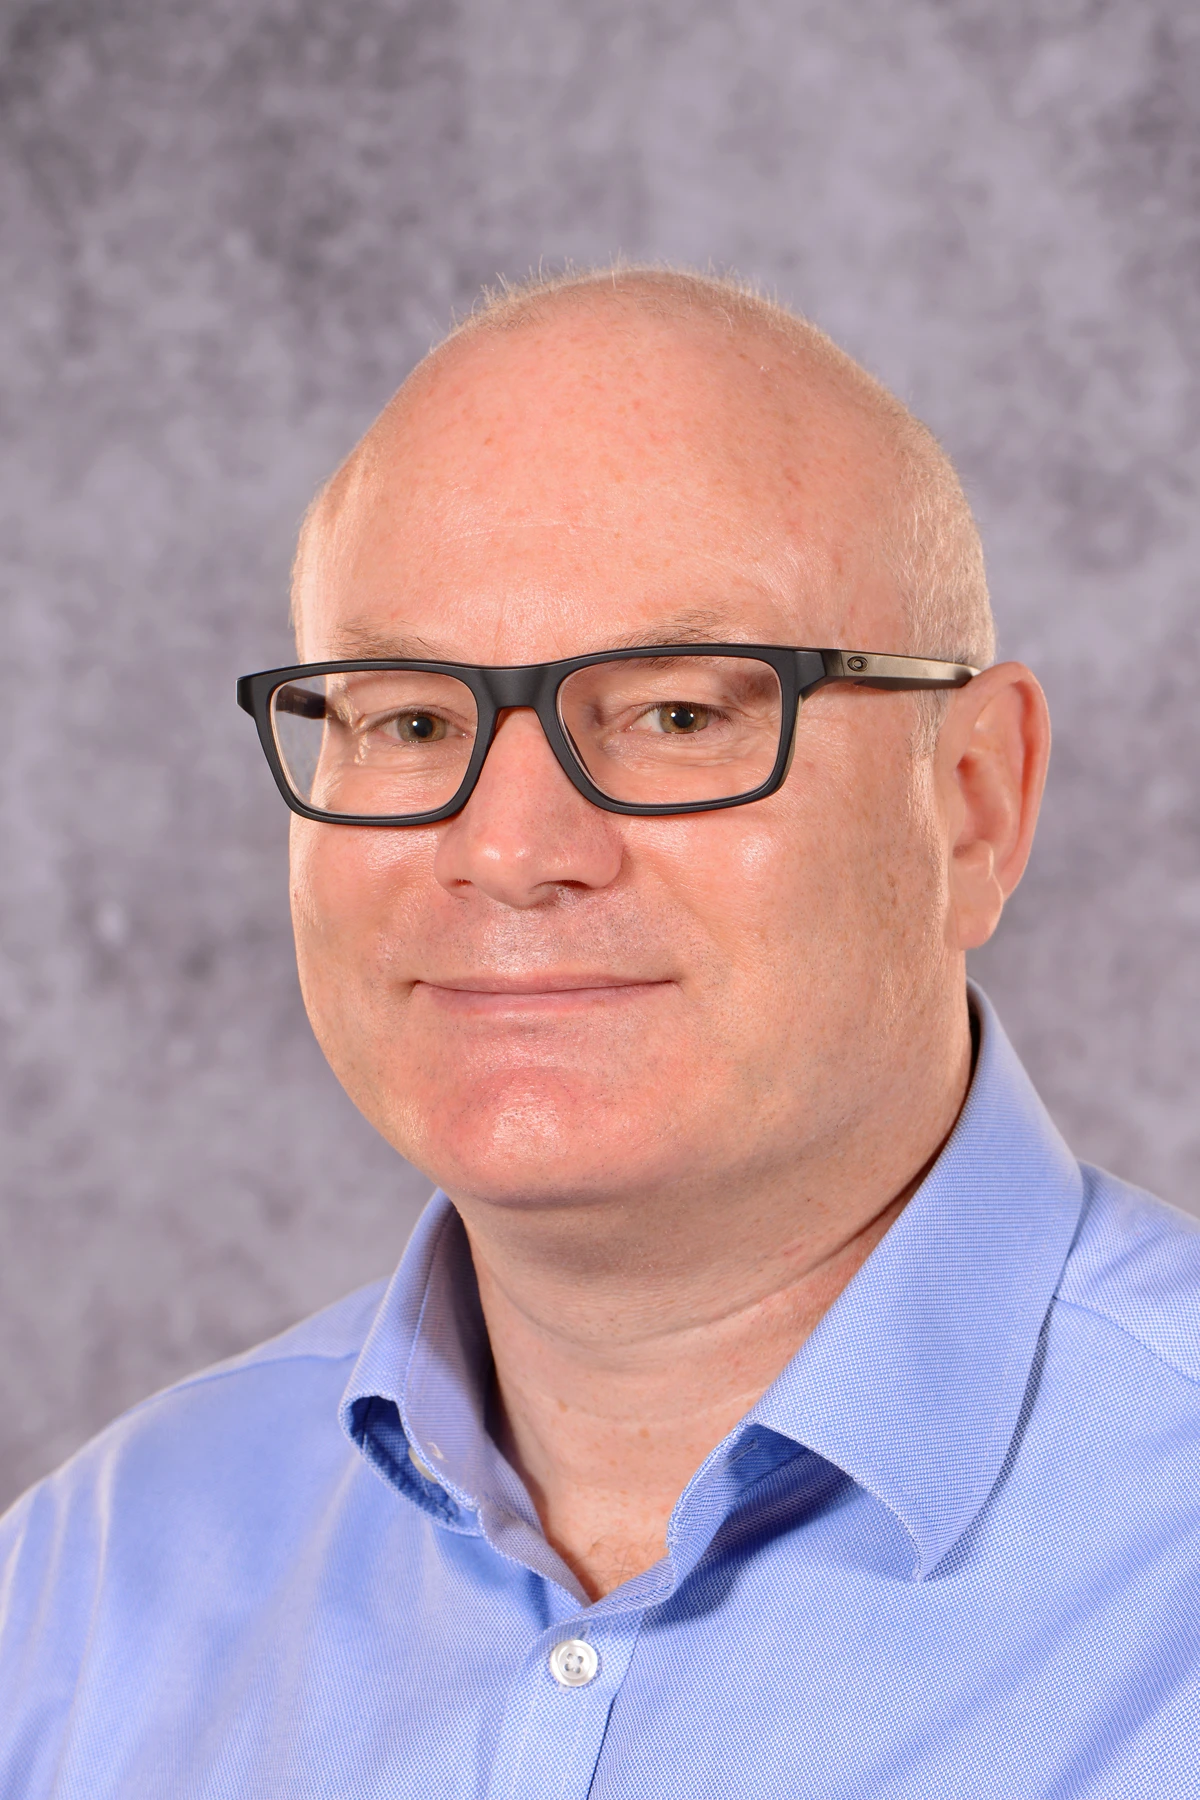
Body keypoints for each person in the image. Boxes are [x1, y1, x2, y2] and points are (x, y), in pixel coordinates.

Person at [2, 266, 1198, 1800]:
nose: (511, 850)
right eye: (412, 720)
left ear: (974, 802)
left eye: (677, 715)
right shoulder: (89, 1592)